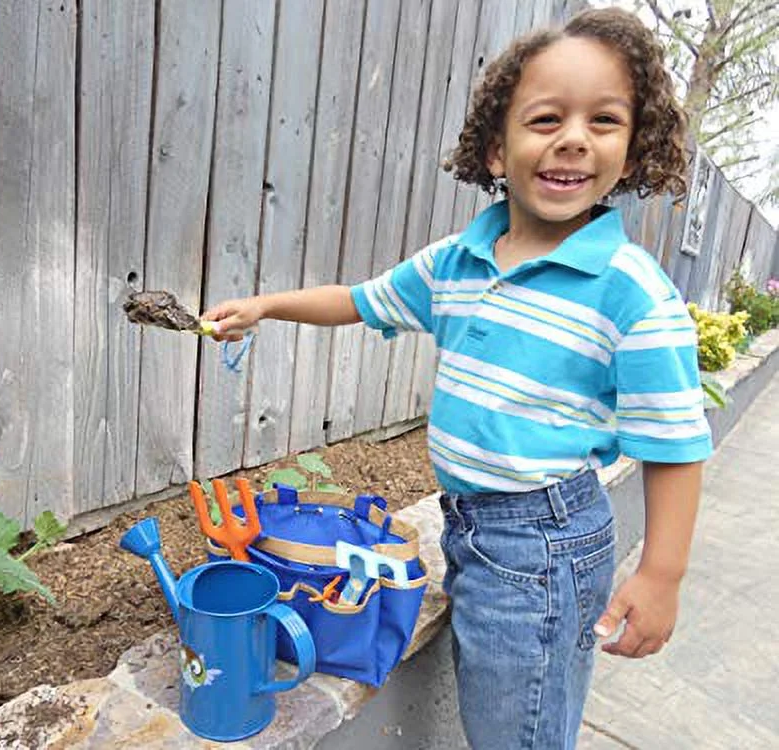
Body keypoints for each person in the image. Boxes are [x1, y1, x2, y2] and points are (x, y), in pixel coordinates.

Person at [202, 8, 710, 748]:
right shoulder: (458, 262)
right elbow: (360, 300)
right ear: (497, 150)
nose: (572, 137)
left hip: (545, 544)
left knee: (517, 730)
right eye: (544, 119)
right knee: (512, 715)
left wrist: (661, 576)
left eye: (603, 120)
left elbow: (675, 444)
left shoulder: (630, 290)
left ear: (632, 153)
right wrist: (266, 306)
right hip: (473, 526)